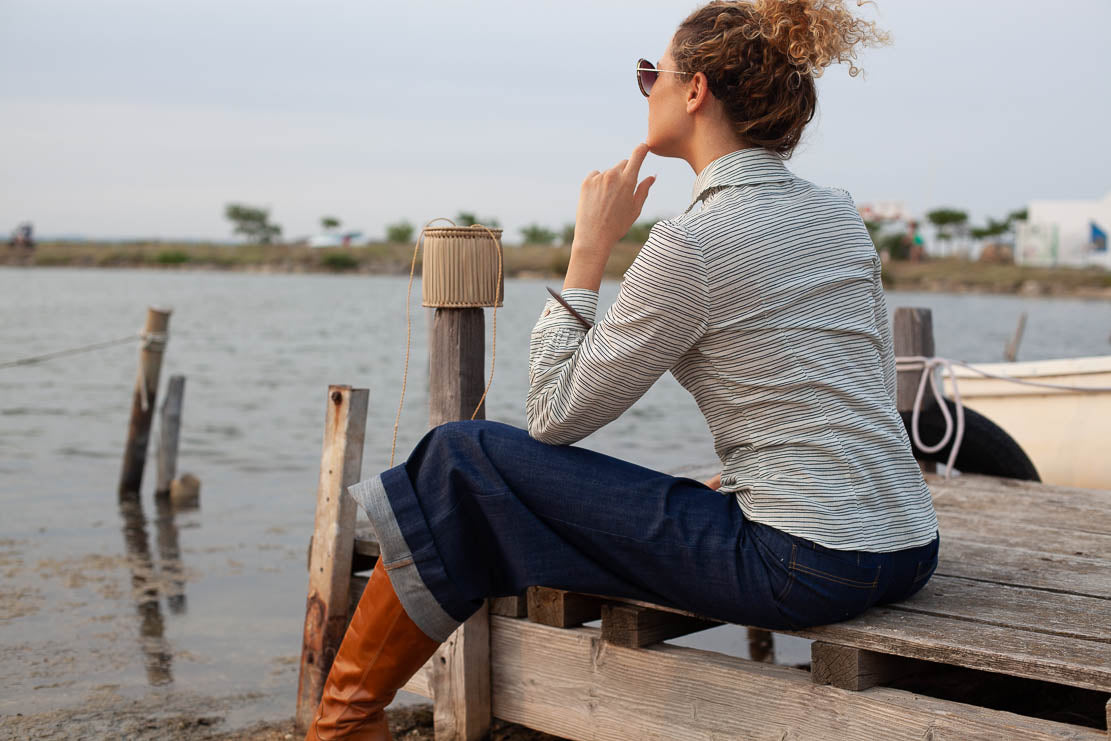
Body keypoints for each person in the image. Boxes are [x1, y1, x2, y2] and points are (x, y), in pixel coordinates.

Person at [304, 1, 940, 738]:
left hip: (803, 563)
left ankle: (341, 722)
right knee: (470, 481)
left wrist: (589, 249)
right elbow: (851, 381)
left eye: (651, 74)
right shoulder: (836, 215)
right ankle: (346, 718)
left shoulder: (692, 243)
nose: (647, 89)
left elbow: (553, 415)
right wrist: (751, 476)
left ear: (695, 90)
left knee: (456, 458)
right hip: (905, 544)